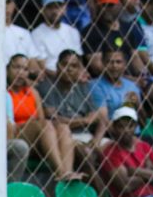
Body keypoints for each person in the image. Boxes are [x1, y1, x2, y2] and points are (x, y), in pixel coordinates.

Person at [37, 50, 110, 184]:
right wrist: (84, 120)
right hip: (66, 136)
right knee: (86, 153)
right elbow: (54, 120)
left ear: (80, 69)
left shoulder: (83, 87)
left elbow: (98, 118)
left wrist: (96, 139)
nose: (69, 69)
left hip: (87, 135)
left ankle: (114, 195)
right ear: (58, 66)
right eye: (65, 65)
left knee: (113, 148)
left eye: (74, 66)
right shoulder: (47, 86)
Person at [8, 53, 79, 181]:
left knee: (63, 128)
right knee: (45, 125)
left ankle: (68, 172)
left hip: (38, 138)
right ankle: (61, 173)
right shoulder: (3, 92)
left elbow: (41, 118)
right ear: (7, 69)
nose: (20, 73)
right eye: (16, 68)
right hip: (15, 135)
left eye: (24, 69)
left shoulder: (32, 93)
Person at [80, 0, 142, 77]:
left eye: (110, 5)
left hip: (130, 79)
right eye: (103, 5)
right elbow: (97, 67)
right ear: (97, 6)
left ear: (119, 6)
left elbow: (135, 57)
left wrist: (142, 76)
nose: (106, 9)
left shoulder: (127, 28)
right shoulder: (90, 32)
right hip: (105, 81)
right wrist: (128, 79)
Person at [0, 0, 44, 79]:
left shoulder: (24, 32)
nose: (4, 6)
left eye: (8, 2)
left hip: (23, 79)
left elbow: (33, 61)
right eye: (0, 1)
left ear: (14, 5)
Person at [31, 0, 82, 76]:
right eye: (50, 7)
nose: (55, 11)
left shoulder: (73, 32)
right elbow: (42, 65)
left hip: (74, 76)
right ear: (42, 10)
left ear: (64, 9)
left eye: (58, 7)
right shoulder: (36, 34)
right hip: (51, 78)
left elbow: (79, 59)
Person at [90, 48, 141, 114]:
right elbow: (104, 120)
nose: (114, 66)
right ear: (103, 63)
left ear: (125, 64)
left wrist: (137, 104)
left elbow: (142, 119)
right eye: (110, 62)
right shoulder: (96, 86)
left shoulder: (132, 85)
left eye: (118, 62)